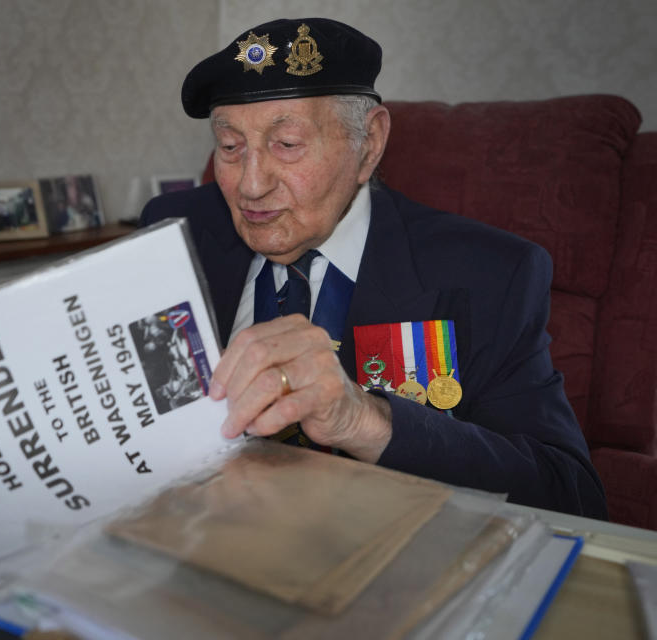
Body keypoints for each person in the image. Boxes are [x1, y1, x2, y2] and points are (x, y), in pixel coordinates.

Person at [140, 17, 608, 519]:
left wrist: (364, 419)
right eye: (230, 147)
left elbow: (570, 496)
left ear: (370, 142)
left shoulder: (491, 274)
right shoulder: (174, 232)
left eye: (288, 144)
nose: (251, 185)